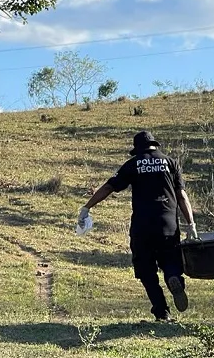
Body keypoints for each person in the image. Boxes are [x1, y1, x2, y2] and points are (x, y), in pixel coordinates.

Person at [78, 131, 198, 322]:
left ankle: (162, 312)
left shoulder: (133, 164)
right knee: (171, 262)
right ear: (154, 145)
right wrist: (191, 224)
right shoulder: (170, 162)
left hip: (143, 227)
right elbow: (182, 196)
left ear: (138, 149)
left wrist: (87, 207)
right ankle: (174, 279)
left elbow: (109, 187)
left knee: (146, 271)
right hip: (168, 225)